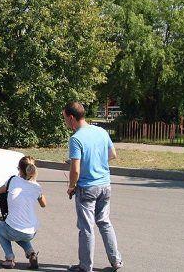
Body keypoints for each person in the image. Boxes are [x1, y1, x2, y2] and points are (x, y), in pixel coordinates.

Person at [63, 102, 123, 272]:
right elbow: (112, 154)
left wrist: (71, 186)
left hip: (87, 188)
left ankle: (85, 266)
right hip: (105, 185)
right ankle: (116, 260)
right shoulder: (101, 131)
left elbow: (75, 169)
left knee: (86, 228)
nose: (65, 122)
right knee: (104, 222)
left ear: (72, 118)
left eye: (65, 118)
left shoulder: (76, 138)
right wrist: (95, 163)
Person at [0, 156, 46, 269]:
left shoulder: (12, 180)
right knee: (20, 233)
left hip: (14, 229)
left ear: (19, 169)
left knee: (0, 227)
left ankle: (9, 258)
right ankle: (31, 253)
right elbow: (43, 204)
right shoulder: (37, 187)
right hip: (32, 231)